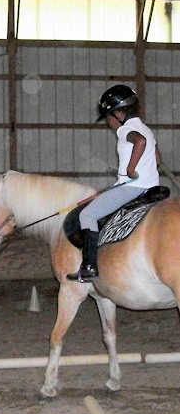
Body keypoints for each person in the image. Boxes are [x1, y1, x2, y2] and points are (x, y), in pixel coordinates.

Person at [67, 84, 161, 282]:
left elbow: (140, 142)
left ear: (118, 113)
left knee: (87, 215)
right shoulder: (146, 128)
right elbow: (158, 159)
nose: (108, 122)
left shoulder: (126, 129)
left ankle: (89, 266)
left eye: (108, 117)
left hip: (132, 188)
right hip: (151, 187)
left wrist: (130, 168)